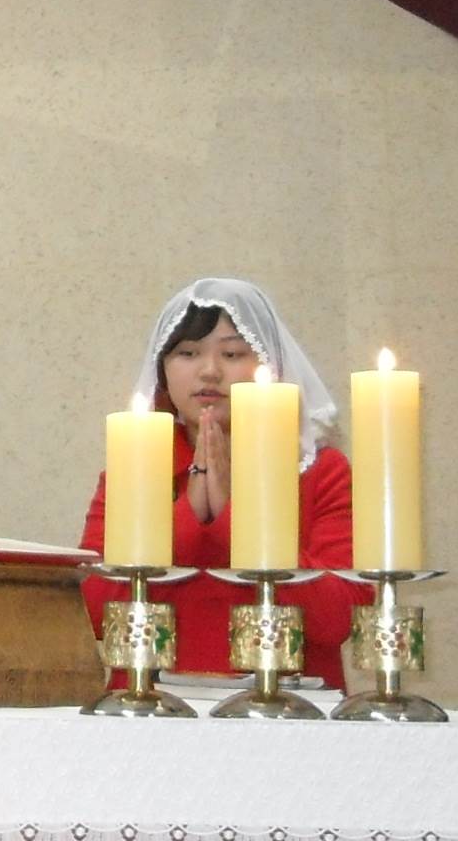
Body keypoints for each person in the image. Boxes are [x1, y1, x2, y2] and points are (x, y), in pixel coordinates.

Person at [77, 278, 357, 680]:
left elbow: (336, 620)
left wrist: (234, 517)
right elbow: (92, 611)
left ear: (270, 366)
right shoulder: (131, 469)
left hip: (289, 705)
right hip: (151, 702)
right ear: (162, 369)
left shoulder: (321, 470)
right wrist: (188, 514)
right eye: (187, 353)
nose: (210, 372)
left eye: (232, 353)